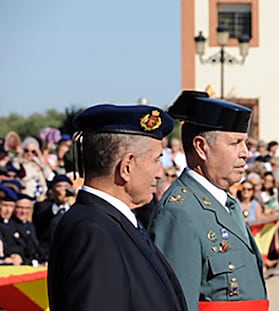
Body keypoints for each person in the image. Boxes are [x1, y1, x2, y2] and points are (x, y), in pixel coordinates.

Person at [47, 104, 187, 311]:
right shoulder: (94, 233)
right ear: (127, 166)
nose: (160, 172)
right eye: (156, 160)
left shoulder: (112, 221)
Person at [149, 91, 268, 311]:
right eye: (235, 143)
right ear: (201, 147)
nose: (245, 153)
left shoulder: (224, 202)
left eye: (245, 143)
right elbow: (178, 303)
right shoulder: (180, 213)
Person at [32, 174, 75, 260]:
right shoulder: (43, 206)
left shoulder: (74, 209)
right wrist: (59, 204)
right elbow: (41, 218)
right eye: (59, 186)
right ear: (52, 189)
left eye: (66, 186)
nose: (64, 189)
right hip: (47, 254)